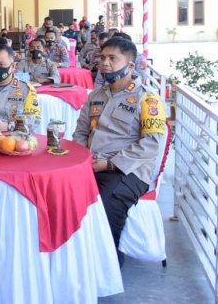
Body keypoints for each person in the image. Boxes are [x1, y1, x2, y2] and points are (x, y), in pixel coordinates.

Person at [72, 36, 166, 265]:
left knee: (106, 202)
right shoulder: (95, 96)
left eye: (113, 58)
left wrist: (110, 163)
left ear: (130, 66)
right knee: (62, 192)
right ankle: (75, 259)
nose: (105, 63)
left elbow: (152, 143)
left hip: (128, 171)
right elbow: (80, 133)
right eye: (103, 57)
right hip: (91, 165)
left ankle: (109, 264)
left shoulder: (148, 99)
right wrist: (81, 158)